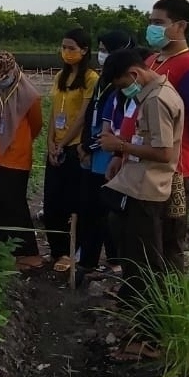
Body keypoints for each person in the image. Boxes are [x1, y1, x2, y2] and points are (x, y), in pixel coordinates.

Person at [97, 48, 184, 362]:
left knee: (144, 266)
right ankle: (141, 329)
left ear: (134, 75)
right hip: (139, 186)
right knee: (138, 262)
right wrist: (123, 157)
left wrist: (117, 145)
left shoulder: (156, 100)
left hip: (147, 193)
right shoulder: (155, 92)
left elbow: (163, 153)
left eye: (122, 85)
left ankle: (149, 337)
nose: (123, 91)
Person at [144, 0, 189, 271]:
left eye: (159, 23)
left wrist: (183, 149)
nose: (152, 28)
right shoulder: (152, 60)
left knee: (170, 237)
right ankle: (146, 292)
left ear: (181, 26)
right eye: (150, 22)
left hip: (175, 168)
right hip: (146, 159)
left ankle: (169, 300)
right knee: (147, 234)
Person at [76, 31, 138, 274]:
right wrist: (84, 145)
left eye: (105, 49)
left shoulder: (123, 88)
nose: (101, 54)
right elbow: (92, 112)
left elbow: (116, 124)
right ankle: (89, 260)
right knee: (91, 210)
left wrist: (93, 145)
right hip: (96, 154)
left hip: (112, 156)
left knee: (109, 213)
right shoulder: (103, 82)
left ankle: (114, 261)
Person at [43, 27, 99, 272]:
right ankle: (56, 250)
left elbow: (83, 117)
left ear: (84, 50)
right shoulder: (59, 77)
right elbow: (55, 112)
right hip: (57, 146)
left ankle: (73, 252)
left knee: (74, 203)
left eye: (71, 48)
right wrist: (50, 144)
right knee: (52, 202)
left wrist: (63, 144)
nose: (66, 52)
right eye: (64, 47)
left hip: (75, 148)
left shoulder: (90, 78)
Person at [0, 52, 44, 270]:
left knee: (14, 206)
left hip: (16, 158)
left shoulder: (29, 95)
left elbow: (36, 125)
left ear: (12, 70)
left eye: (2, 72)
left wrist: (19, 141)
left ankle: (28, 254)